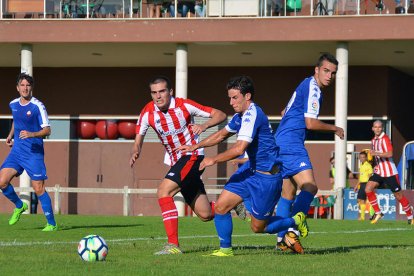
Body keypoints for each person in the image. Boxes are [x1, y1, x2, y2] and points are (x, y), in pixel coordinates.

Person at [176, 76, 309, 256]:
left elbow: (239, 148)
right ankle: (225, 250)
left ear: (247, 96)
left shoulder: (253, 115)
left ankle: (294, 221)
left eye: (235, 98)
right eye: (229, 98)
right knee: (221, 207)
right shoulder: (240, 116)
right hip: (250, 171)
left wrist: (212, 159)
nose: (231, 102)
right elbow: (221, 135)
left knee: (258, 227)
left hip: (267, 178)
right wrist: (195, 146)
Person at [129, 76, 226, 255]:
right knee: (205, 214)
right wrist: (136, 150)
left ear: (170, 92)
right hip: (176, 161)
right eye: (154, 92)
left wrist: (204, 126)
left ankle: (173, 245)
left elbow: (220, 114)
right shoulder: (148, 112)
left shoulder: (184, 105)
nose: (158, 96)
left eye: (162, 91)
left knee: (163, 191)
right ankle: (230, 203)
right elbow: (138, 139)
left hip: (192, 156)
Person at [274, 53, 344, 253]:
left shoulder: (304, 84)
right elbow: (310, 123)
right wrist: (335, 128)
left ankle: (281, 241)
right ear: (317, 70)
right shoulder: (313, 89)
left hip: (281, 141)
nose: (329, 76)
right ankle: (292, 232)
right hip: (291, 145)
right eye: (326, 70)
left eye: (333, 73)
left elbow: (283, 112)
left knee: (287, 194)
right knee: (311, 187)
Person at [0, 73, 57, 231]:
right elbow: (16, 122)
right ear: (17, 88)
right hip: (17, 152)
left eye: (28, 85)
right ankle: (19, 206)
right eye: (22, 85)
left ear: (31, 88)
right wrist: (11, 135)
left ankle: (52, 224)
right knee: (2, 181)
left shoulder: (38, 106)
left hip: (33, 153)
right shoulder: (13, 104)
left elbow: (48, 130)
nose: (25, 88)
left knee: (38, 188)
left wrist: (31, 134)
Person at [365, 120, 414, 224]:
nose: (377, 129)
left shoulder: (386, 139)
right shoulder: (373, 140)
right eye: (375, 127)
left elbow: (390, 154)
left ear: (382, 128)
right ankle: (378, 212)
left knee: (398, 195)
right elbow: (375, 155)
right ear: (372, 128)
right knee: (368, 189)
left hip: (389, 172)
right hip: (379, 171)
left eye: (379, 127)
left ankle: (410, 215)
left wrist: (376, 153)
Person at [353, 150, 373, 221]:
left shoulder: (368, 165)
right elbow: (360, 177)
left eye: (363, 157)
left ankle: (363, 217)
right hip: (361, 184)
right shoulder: (361, 165)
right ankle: (363, 217)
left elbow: (370, 176)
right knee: (359, 200)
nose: (362, 158)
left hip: (366, 184)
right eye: (361, 157)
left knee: (363, 200)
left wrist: (369, 185)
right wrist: (356, 186)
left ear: (366, 158)